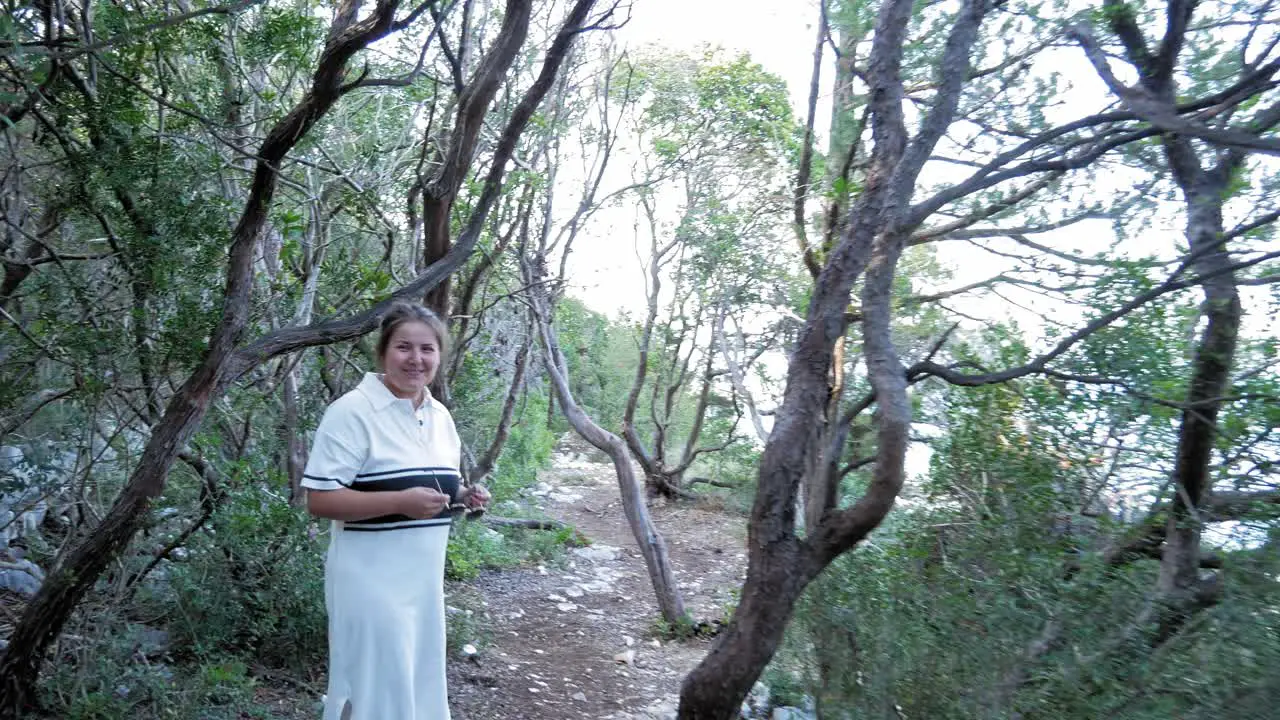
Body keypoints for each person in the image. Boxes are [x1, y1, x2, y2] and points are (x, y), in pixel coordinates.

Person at [302, 301, 489, 720]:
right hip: (369, 584)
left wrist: (462, 495)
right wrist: (399, 503)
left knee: (415, 685)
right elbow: (320, 499)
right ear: (383, 351)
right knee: (370, 687)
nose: (416, 359)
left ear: (440, 355)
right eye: (404, 347)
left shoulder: (440, 417)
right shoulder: (352, 413)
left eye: (427, 349)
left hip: (422, 584)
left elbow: (437, 484)